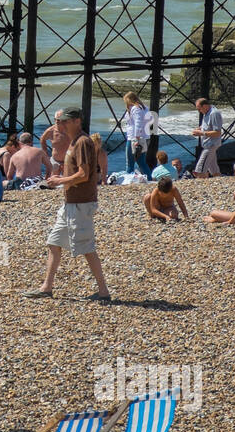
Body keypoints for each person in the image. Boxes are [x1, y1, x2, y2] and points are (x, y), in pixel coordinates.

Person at [24, 108, 111, 303]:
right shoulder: (73, 142)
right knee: (54, 242)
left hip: (81, 203)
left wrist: (62, 181)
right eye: (59, 121)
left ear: (76, 121)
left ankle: (104, 291)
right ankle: (46, 287)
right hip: (70, 202)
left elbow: (84, 174)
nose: (60, 125)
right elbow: (77, 174)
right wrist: (60, 178)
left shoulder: (83, 142)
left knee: (87, 247)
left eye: (64, 121)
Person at [122, 92, 152, 179]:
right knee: (141, 161)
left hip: (134, 138)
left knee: (130, 162)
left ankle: (128, 179)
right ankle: (149, 178)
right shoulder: (144, 108)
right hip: (145, 137)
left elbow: (138, 122)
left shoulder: (136, 108)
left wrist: (137, 137)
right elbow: (150, 119)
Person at [191, 96, 223, 177]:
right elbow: (207, 126)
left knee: (199, 170)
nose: (199, 111)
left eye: (199, 109)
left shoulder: (214, 113)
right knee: (214, 171)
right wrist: (199, 129)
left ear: (204, 106)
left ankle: (201, 188)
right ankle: (219, 184)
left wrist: (201, 133)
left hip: (211, 145)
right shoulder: (207, 113)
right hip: (208, 144)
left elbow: (218, 132)